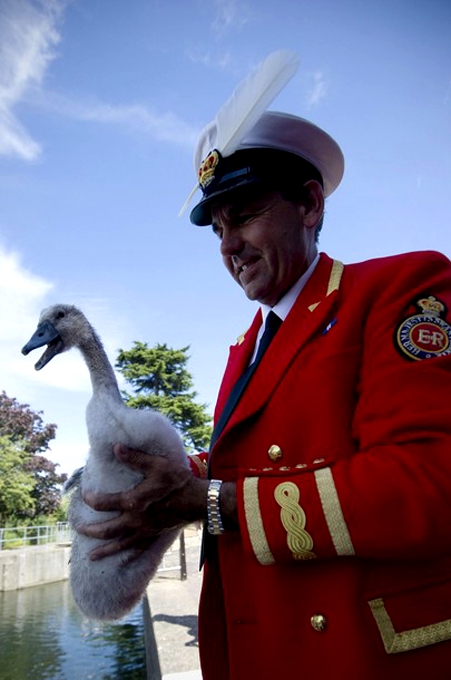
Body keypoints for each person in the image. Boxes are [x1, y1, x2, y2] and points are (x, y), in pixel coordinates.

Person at [80, 110, 451, 679]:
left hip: (354, 654)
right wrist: (153, 475)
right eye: (218, 229)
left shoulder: (400, 289)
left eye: (246, 216)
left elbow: (428, 480)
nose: (230, 245)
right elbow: (251, 463)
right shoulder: (244, 347)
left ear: (309, 204)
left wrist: (207, 501)